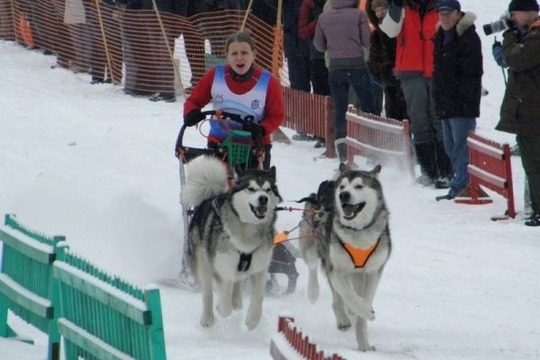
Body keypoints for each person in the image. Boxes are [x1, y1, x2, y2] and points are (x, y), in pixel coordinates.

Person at [183, 30, 284, 171]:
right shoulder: (215, 75)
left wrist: (262, 129)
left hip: (254, 146)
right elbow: (193, 101)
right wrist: (191, 113)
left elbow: (276, 115)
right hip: (219, 143)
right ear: (226, 56)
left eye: (244, 53)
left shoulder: (268, 82)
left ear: (254, 55)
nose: (239, 58)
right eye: (234, 54)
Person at [379, 0, 453, 188]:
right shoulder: (402, 6)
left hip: (437, 69)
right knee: (419, 122)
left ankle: (446, 172)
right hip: (410, 70)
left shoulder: (440, 5)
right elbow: (389, 30)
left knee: (439, 121)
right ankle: (429, 172)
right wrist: (395, 6)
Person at [431, 0, 483, 201]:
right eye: (440, 13)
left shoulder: (468, 37)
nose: (443, 17)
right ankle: (459, 183)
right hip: (446, 101)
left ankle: (464, 185)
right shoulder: (441, 36)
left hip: (462, 103)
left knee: (461, 146)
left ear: (458, 14)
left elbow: (470, 71)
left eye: (447, 13)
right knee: (450, 146)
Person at [495, 0, 540, 226]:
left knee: (535, 165)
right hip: (529, 111)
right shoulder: (528, 34)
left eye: (515, 14)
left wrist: (509, 35)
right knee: (532, 165)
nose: (511, 18)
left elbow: (517, 59)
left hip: (533, 112)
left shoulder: (536, 35)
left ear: (530, 13)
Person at [313, 0, 375, 162]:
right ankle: (372, 145)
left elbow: (318, 45)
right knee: (367, 105)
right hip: (357, 65)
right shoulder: (359, 15)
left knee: (340, 109)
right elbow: (367, 41)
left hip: (335, 67)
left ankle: (342, 150)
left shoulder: (324, 17)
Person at [365, 0, 408, 120]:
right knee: (395, 120)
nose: (379, 13)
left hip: (409, 79)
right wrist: (386, 72)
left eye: (382, 9)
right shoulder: (376, 36)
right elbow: (373, 63)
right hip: (392, 90)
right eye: (377, 11)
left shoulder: (403, 28)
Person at [299, 0, 330, 148]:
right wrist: (319, 21)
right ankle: (321, 134)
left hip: (336, 56)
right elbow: (303, 31)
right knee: (320, 97)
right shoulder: (309, 4)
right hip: (317, 56)